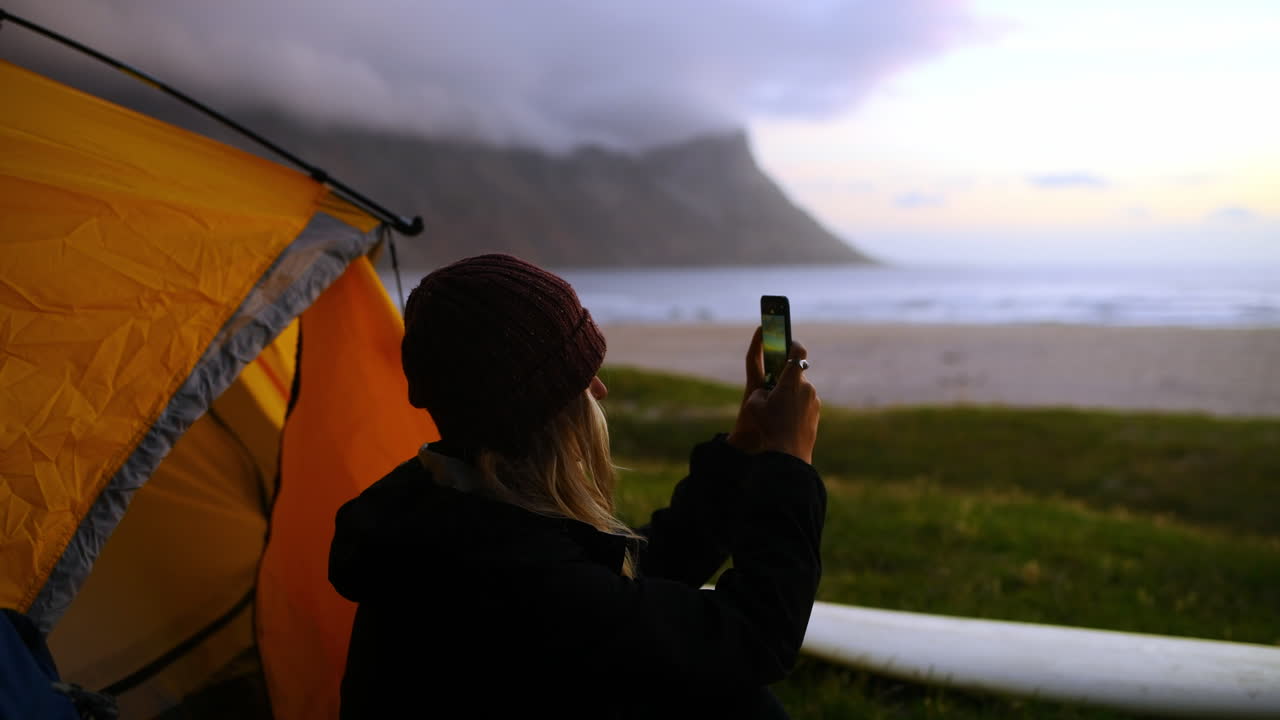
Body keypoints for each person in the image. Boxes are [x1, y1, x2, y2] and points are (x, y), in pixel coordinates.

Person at [328, 253, 824, 719]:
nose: (599, 389)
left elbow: (629, 578)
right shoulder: (514, 580)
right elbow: (753, 638)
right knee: (734, 699)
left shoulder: (447, 508)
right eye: (583, 376)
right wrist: (790, 463)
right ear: (536, 407)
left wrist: (743, 451)